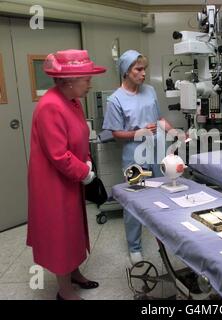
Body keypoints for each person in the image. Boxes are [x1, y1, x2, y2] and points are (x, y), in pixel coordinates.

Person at [27, 49, 106, 300]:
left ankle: (74, 273)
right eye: (87, 79)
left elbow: (80, 137)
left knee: (74, 228)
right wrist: (85, 172)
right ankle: (64, 290)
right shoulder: (50, 106)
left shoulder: (73, 101)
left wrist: (87, 162)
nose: (90, 84)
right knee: (61, 232)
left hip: (70, 177)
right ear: (69, 80)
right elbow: (58, 154)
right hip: (53, 183)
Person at [103, 50, 180, 266]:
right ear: (126, 72)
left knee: (163, 196)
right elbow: (116, 134)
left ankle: (164, 241)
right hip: (134, 155)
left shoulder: (150, 91)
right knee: (134, 201)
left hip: (157, 151)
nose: (143, 73)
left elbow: (160, 119)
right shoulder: (115, 100)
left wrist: (175, 134)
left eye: (144, 69)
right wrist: (140, 132)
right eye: (138, 69)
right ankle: (134, 247)